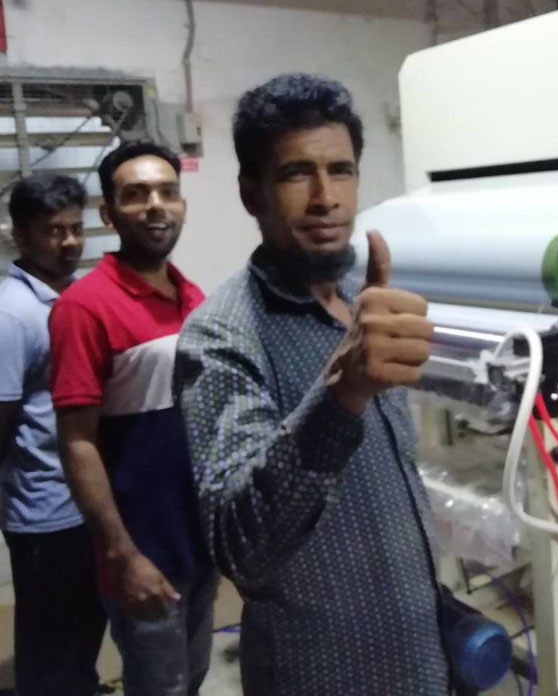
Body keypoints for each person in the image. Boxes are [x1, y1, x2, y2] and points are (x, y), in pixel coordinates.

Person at [175, 74, 450, 695]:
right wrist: (339, 394)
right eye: (297, 174)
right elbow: (241, 549)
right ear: (252, 194)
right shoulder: (221, 335)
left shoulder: (364, 299)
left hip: (419, 650)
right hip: (323, 673)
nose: (326, 198)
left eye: (341, 171)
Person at [49, 141, 215, 696]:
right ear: (109, 213)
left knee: (192, 679)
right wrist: (121, 556)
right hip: (145, 554)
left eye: (168, 192)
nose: (156, 206)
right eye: (137, 194)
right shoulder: (84, 307)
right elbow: (77, 442)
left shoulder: (193, 296)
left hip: (199, 542)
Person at [0, 174, 106, 696]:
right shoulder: (12, 313)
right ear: (21, 236)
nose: (68, 242)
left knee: (82, 630)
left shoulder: (71, 297)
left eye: (75, 229)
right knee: (49, 646)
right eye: (52, 231)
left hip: (83, 501)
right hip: (43, 511)